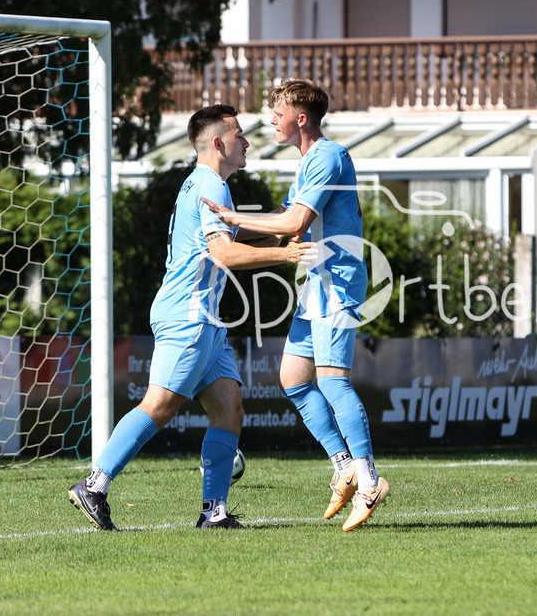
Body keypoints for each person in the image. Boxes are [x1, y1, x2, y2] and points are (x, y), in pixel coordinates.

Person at [68, 104, 315, 530]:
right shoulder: (210, 186)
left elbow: (231, 235)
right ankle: (94, 484)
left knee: (229, 410)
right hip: (189, 314)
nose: (247, 141)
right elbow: (223, 253)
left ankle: (213, 513)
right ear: (218, 142)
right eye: (239, 135)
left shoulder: (206, 184)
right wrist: (285, 253)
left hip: (204, 318)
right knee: (160, 405)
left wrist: (283, 219)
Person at [202, 79, 389, 532]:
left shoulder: (327, 155)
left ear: (300, 118)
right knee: (293, 378)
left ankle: (369, 480)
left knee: (333, 382)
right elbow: (284, 231)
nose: (271, 120)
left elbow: (296, 220)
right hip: (317, 285)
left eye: (277, 112)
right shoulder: (308, 162)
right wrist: (220, 233)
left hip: (338, 281)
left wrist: (231, 217)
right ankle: (343, 466)